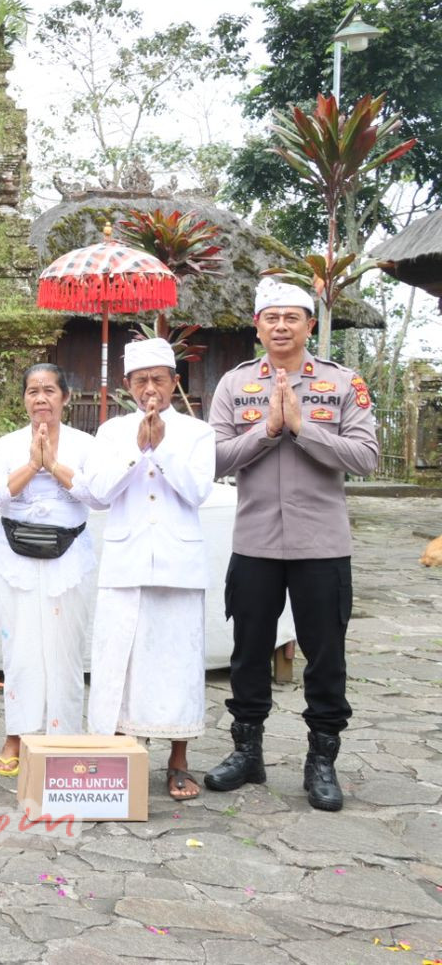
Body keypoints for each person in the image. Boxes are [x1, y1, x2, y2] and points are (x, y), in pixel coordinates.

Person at [204, 278, 378, 811]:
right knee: (247, 652)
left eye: (291, 318)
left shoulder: (342, 382)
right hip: (255, 542)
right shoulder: (235, 384)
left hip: (321, 545)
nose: (281, 326)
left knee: (325, 657)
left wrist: (303, 428)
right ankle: (247, 752)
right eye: (271, 318)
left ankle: (321, 760)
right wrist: (267, 430)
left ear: (309, 325)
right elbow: (211, 459)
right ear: (257, 327)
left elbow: (366, 458)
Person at [82, 337, 215, 801]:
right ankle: (121, 755)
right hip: (126, 562)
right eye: (141, 381)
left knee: (178, 662)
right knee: (121, 661)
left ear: (175, 382)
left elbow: (198, 491)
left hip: (179, 564)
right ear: (127, 385)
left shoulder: (197, 432)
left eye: (159, 379)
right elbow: (98, 494)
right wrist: (137, 450)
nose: (150, 389)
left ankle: (178, 760)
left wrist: (163, 449)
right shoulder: (111, 432)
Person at [0, 363, 99, 776]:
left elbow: (100, 497)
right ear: (24, 399)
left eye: (49, 390)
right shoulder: (7, 445)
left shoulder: (85, 444)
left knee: (66, 650)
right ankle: (18, 735)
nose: (41, 398)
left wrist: (54, 466)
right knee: (20, 649)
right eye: (32, 391)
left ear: (65, 397)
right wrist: (30, 467)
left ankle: (64, 738)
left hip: (70, 558)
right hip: (14, 558)